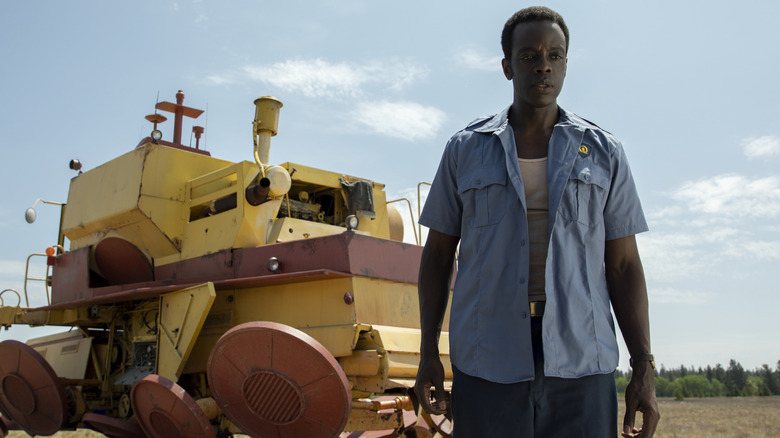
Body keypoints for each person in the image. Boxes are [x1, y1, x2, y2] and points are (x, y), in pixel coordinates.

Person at [413, 6, 659, 437]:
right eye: (528, 56)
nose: (543, 65)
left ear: (565, 64)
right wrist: (428, 351)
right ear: (508, 67)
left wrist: (643, 365)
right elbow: (437, 256)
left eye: (554, 55)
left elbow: (623, 266)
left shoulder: (604, 152)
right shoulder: (464, 150)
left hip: (582, 360)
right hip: (487, 359)